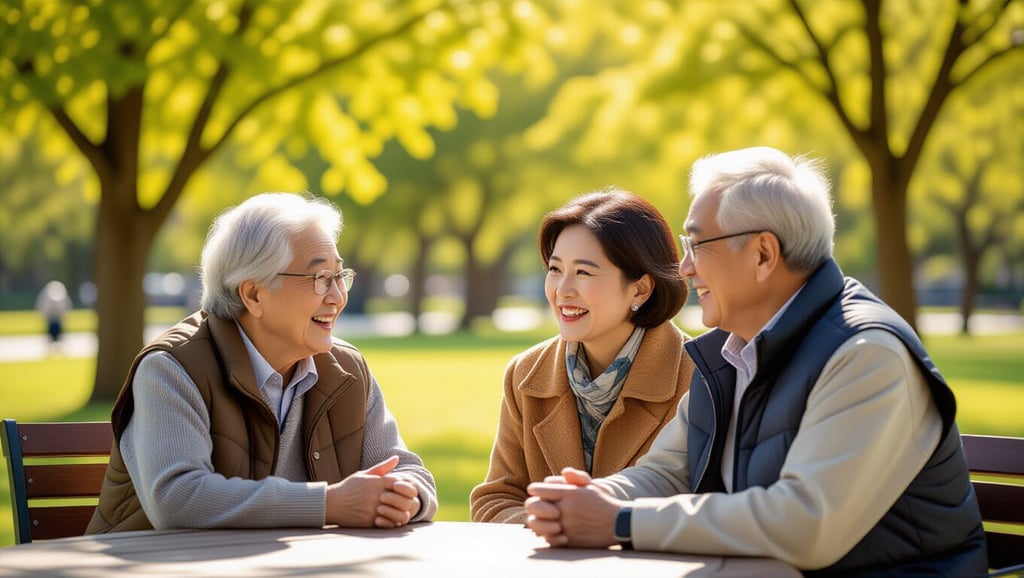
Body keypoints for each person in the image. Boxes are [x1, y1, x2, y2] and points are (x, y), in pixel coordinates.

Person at [524, 147, 987, 576]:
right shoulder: (730, 351)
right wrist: (591, 499)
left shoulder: (868, 356)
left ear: (763, 254)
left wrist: (620, 521)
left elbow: (805, 523)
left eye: (697, 245)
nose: (684, 268)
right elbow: (669, 470)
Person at [87, 192, 437, 533]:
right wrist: (329, 503)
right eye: (320, 279)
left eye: (339, 276)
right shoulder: (171, 368)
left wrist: (406, 497)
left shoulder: (346, 370)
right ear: (253, 294)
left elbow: (408, 470)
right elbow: (177, 497)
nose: (337, 297)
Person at [470, 189, 695, 524]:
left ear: (641, 289)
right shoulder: (526, 373)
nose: (562, 290)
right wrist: (549, 524)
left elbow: (708, 503)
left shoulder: (699, 375)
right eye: (555, 269)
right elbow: (496, 499)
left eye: (584, 272)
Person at [35, 280, 72, 348]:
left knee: (57, 331)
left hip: (57, 318)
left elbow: (65, 307)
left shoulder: (59, 294)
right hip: (51, 318)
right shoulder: (48, 294)